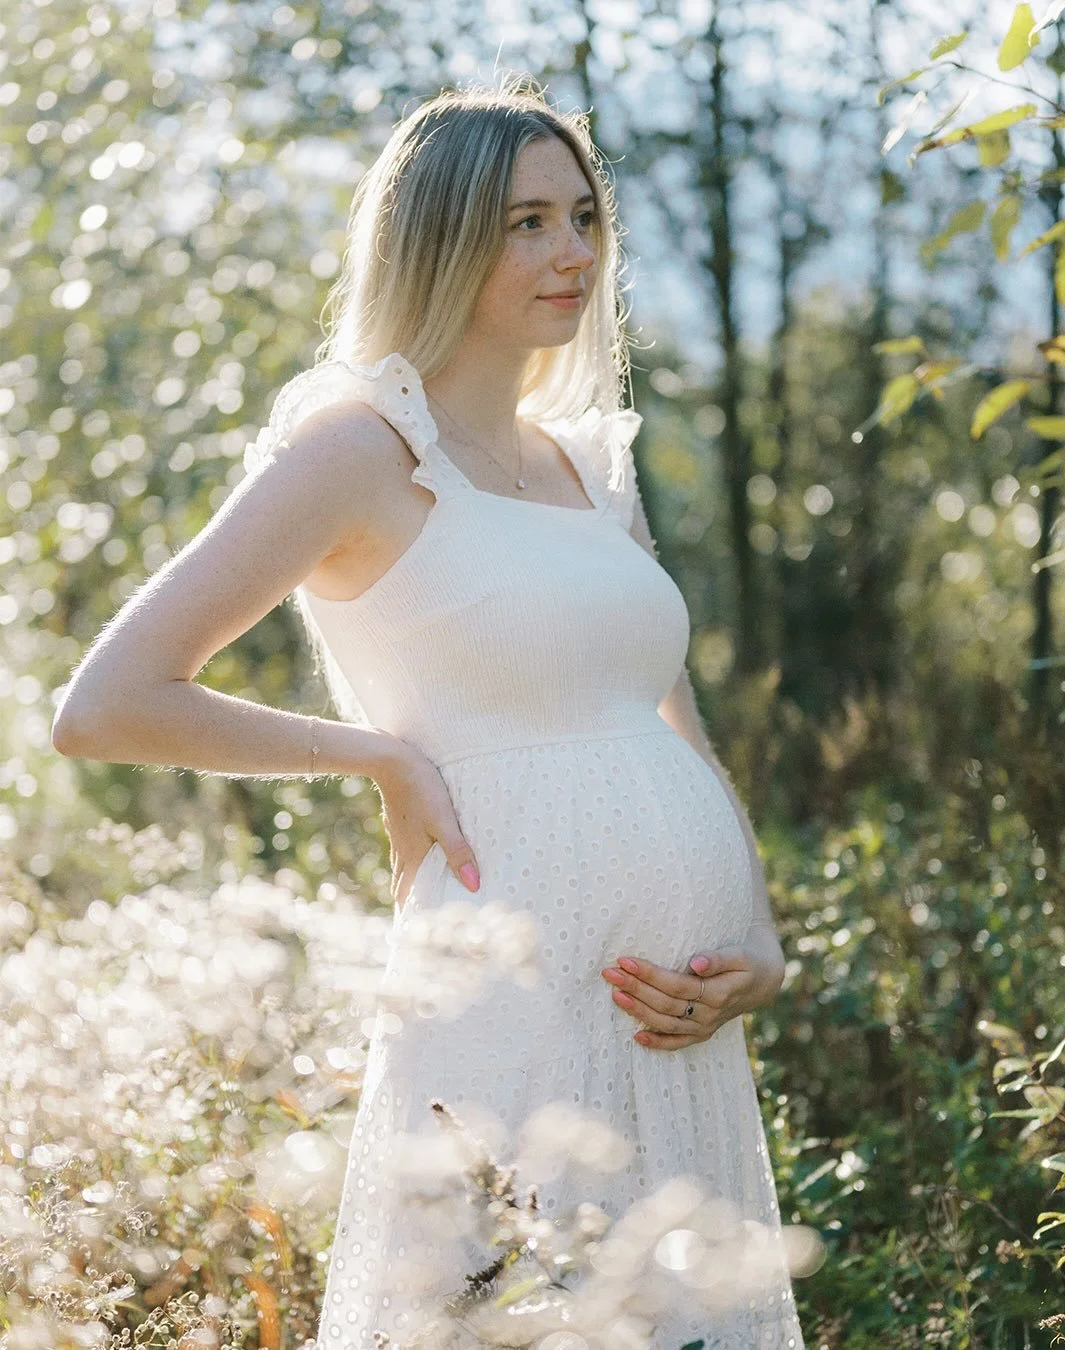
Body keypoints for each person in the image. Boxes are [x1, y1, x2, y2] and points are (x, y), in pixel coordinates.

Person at [52, 73, 806, 1350]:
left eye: (582, 217)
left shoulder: (587, 463)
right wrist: (379, 760)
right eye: (525, 223)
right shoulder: (359, 450)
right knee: (513, 1313)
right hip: (507, 994)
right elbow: (108, 702)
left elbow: (663, 713)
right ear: (440, 239)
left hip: (673, 1023)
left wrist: (759, 937)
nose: (572, 253)